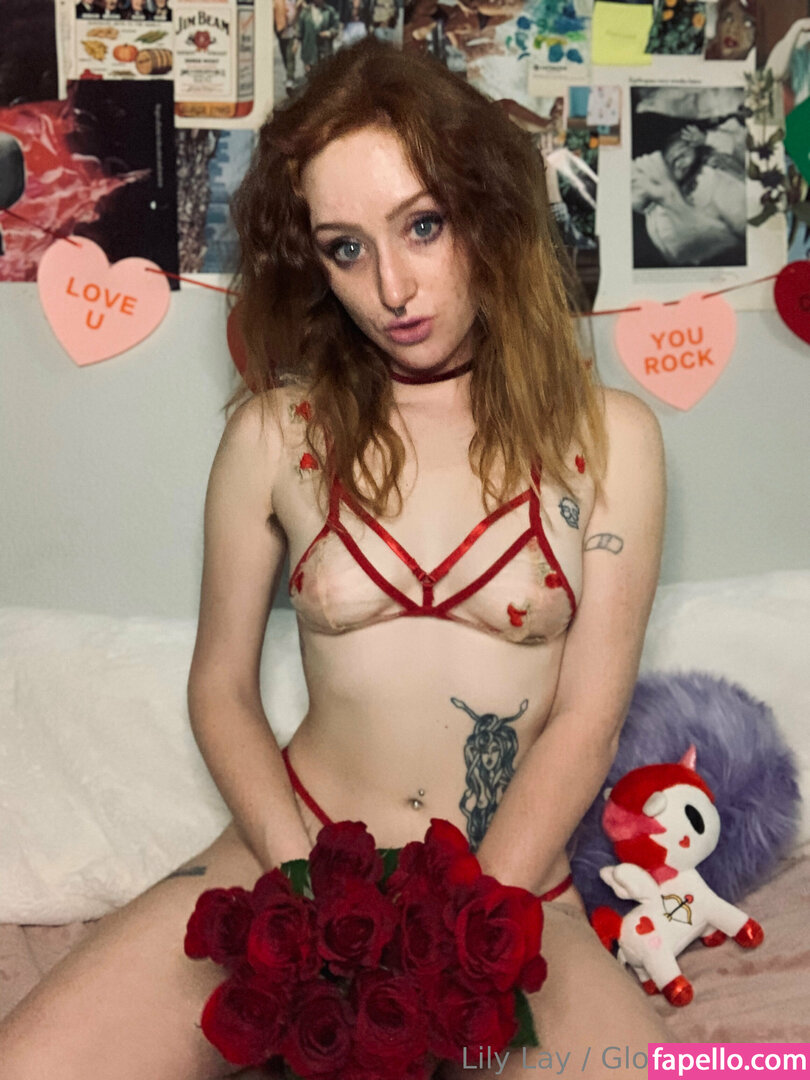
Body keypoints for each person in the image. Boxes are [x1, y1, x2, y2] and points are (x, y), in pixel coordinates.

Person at [0, 38, 669, 1079]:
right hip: (292, 858)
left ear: (486, 212)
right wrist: (304, 890)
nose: (392, 286)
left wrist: (465, 927)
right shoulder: (273, 436)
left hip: (509, 886)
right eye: (345, 248)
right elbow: (221, 689)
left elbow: (589, 717)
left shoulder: (613, 436)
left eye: (422, 226)